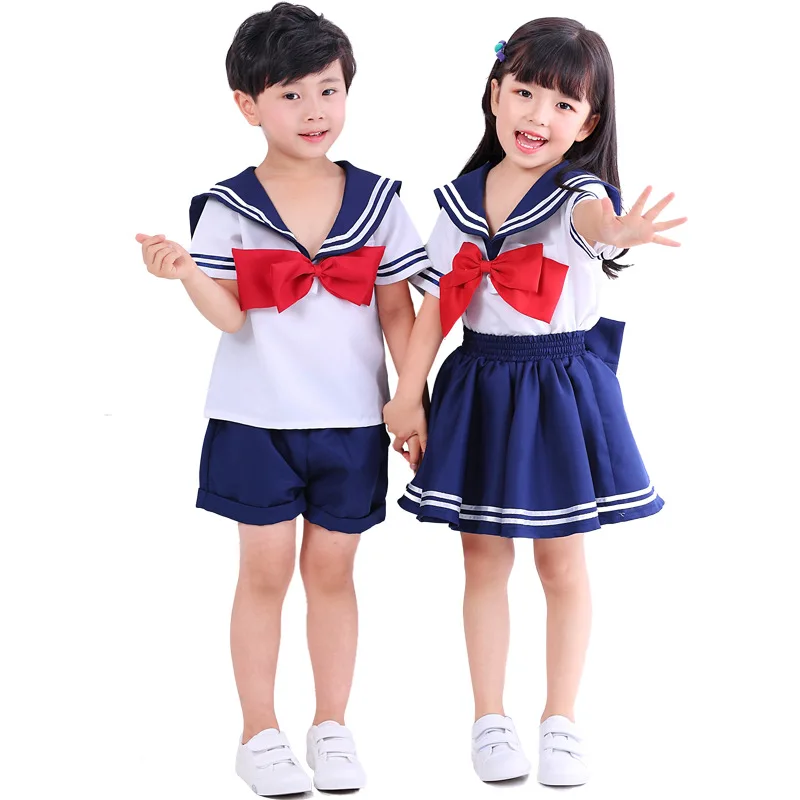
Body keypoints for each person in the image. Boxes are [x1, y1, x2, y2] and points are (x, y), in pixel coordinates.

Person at [384, 17, 686, 788]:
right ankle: (490, 718)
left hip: (557, 389)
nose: (537, 116)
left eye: (562, 104)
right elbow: (434, 309)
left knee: (561, 560)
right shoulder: (458, 201)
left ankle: (561, 718)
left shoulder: (578, 192)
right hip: (480, 385)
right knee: (481, 559)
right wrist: (407, 397)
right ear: (495, 94)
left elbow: (597, 223)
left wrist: (620, 228)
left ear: (587, 125)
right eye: (524, 93)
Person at [135, 4, 430, 794]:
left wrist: (412, 400)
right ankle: (258, 731)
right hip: (255, 420)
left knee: (334, 573)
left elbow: (399, 311)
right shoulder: (227, 205)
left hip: (351, 422)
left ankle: (331, 725)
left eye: (328, 90)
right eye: (290, 95)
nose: (314, 110)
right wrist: (187, 274)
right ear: (248, 104)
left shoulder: (379, 200)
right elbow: (233, 316)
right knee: (263, 573)